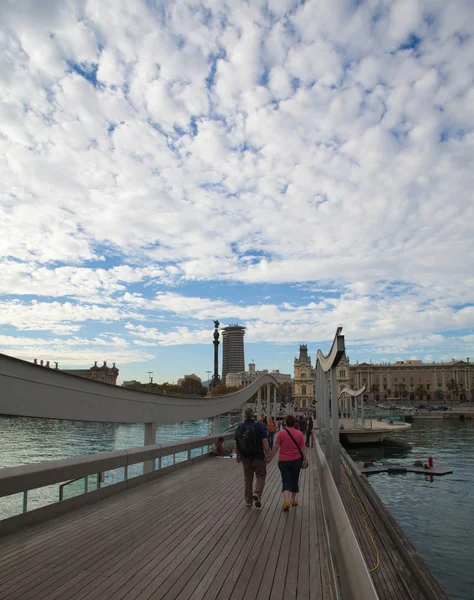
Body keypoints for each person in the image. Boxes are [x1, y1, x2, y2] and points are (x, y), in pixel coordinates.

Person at [266, 414, 307, 511]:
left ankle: (286, 500)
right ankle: (293, 500)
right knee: (294, 479)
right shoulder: (299, 434)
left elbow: (275, 447)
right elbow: (303, 448)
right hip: (296, 461)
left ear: (285, 423)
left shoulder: (281, 434)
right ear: (294, 423)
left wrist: (270, 457)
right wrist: (305, 459)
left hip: (283, 461)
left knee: (285, 480)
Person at [234, 407, 270, 508]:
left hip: (245, 457)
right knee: (261, 475)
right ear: (253, 414)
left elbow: (235, 443)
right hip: (258, 456)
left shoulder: (240, 427)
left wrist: (237, 455)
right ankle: (257, 493)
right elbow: (265, 441)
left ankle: (248, 501)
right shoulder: (259, 426)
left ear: (245, 415)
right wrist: (268, 454)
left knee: (248, 479)